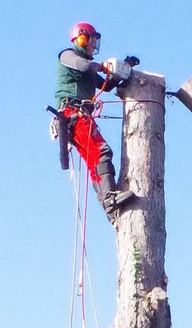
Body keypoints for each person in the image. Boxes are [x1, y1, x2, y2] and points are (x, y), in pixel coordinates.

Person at [55, 22, 135, 217]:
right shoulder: (67, 55)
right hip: (73, 114)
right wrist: (103, 66)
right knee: (101, 152)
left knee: (94, 160)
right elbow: (83, 66)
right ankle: (110, 196)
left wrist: (123, 69)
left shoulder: (88, 67)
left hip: (79, 115)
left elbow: (105, 86)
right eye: (91, 40)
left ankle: (110, 207)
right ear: (81, 38)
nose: (93, 46)